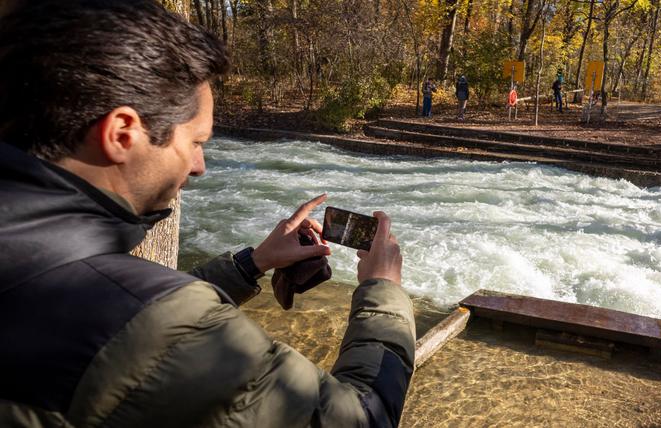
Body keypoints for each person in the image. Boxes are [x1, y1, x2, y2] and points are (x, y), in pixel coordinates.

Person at [0, 1, 414, 427]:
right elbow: (363, 418)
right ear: (122, 133)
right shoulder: (157, 324)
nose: (200, 166)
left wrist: (255, 263)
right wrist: (383, 289)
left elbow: (118, 315)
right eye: (197, 142)